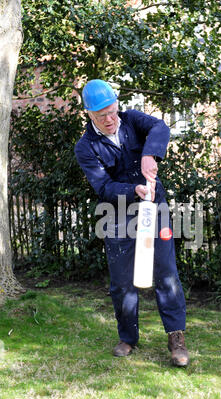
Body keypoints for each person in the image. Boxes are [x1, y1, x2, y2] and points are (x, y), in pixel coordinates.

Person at [75, 79, 189, 367]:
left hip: (155, 207)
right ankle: (128, 337)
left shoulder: (131, 120)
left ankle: (176, 338)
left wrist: (150, 154)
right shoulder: (86, 147)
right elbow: (103, 187)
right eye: (102, 116)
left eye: (113, 111)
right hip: (117, 214)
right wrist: (132, 191)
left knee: (166, 274)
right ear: (89, 115)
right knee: (122, 281)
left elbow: (160, 127)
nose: (111, 119)